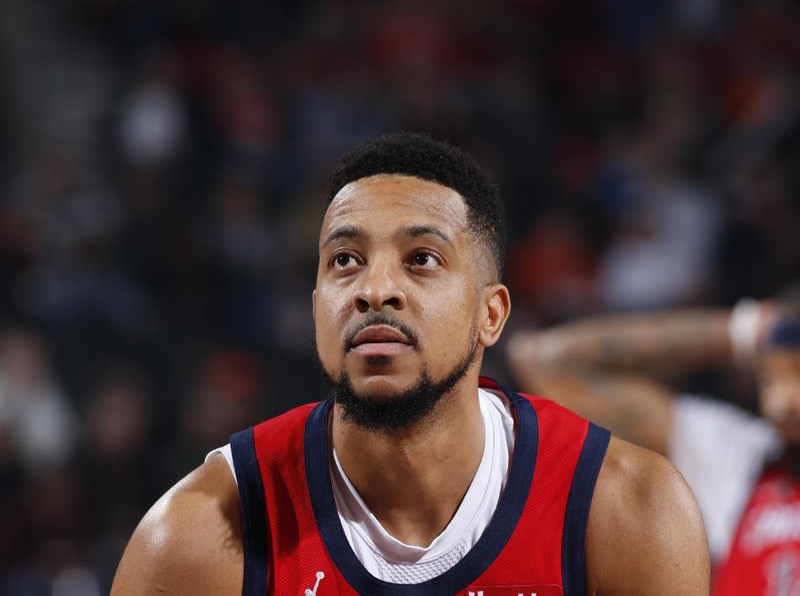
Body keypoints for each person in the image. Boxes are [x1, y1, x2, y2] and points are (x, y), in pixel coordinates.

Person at [111, 133, 708, 595]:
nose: (375, 290)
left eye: (421, 259)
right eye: (344, 260)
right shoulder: (196, 536)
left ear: (491, 315)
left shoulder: (628, 510)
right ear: (316, 307)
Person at [508, 296, 800, 595]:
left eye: (796, 375)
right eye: (770, 379)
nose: (779, 403)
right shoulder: (742, 455)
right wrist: (746, 329)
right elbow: (546, 361)